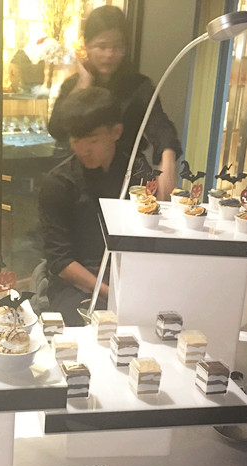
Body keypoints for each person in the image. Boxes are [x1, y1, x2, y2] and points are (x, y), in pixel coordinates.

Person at [48, 5, 181, 202]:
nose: (109, 55)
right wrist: (83, 86)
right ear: (87, 45)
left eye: (117, 47)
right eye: (101, 47)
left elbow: (159, 125)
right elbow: (56, 129)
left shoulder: (139, 86)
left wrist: (168, 161)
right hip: (81, 175)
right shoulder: (73, 85)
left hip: (124, 175)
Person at [39, 87, 132, 326]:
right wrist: (110, 293)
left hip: (128, 279)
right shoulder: (59, 183)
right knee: (95, 326)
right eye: (76, 140)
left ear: (116, 132)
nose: (83, 150)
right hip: (77, 285)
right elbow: (60, 261)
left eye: (92, 140)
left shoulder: (135, 175)